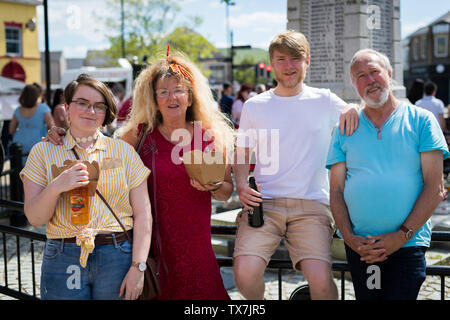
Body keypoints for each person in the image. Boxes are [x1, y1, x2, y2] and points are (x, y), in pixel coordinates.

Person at [47, 52, 235, 300]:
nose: (171, 98)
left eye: (178, 90)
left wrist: (213, 186)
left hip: (196, 249)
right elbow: (97, 150)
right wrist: (63, 134)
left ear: (190, 96)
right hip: (151, 250)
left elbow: (226, 191)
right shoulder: (138, 136)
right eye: (163, 92)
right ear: (154, 99)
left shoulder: (208, 136)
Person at [232, 30, 359, 300]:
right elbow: (242, 152)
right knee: (244, 273)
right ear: (272, 63)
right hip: (264, 204)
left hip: (312, 205)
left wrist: (353, 108)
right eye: (281, 59)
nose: (288, 66)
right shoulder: (255, 106)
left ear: (307, 61)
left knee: (322, 282)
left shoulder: (324, 99)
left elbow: (357, 115)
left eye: (295, 59)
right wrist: (241, 185)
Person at [327, 49, 448, 300]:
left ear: (390, 75)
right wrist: (349, 238)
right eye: (361, 76)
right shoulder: (344, 128)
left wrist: (400, 235)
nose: (369, 80)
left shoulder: (421, 120)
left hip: (408, 243)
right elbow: (336, 190)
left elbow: (435, 187)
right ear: (354, 85)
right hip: (363, 247)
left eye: (374, 72)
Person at [21, 74, 152, 300]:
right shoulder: (43, 152)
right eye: (82, 103)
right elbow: (34, 218)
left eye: (99, 106)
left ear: (106, 112)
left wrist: (138, 267)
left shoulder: (124, 152)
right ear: (66, 107)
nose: (90, 111)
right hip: (63, 255)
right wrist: (56, 187)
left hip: (117, 254)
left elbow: (143, 214)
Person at [9, 84, 54, 161]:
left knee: (19, 169)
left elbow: (11, 130)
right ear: (36, 95)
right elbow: (52, 126)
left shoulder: (18, 110)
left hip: (19, 143)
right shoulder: (43, 108)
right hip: (38, 142)